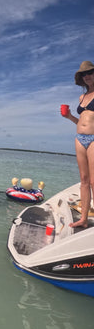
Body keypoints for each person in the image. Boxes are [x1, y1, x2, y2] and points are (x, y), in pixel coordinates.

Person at [62, 60, 94, 228]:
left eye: (90, 72)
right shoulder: (82, 97)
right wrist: (69, 117)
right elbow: (80, 122)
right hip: (80, 138)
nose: (87, 76)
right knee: (84, 180)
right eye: (84, 74)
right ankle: (83, 219)